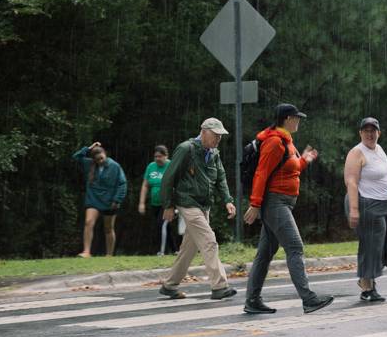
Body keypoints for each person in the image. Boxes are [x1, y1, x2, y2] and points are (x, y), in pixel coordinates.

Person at [242, 104, 333, 315]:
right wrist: (255, 204)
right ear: (287, 119)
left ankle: (252, 300)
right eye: (296, 118)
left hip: (282, 202)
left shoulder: (286, 142)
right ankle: (309, 299)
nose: (298, 121)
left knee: (265, 253)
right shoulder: (274, 142)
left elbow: (289, 170)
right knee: (295, 246)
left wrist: (304, 160)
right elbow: (262, 173)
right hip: (275, 203)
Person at [158, 118, 237, 301]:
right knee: (209, 241)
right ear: (204, 131)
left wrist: (227, 200)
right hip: (187, 202)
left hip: (204, 205)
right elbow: (168, 178)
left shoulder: (214, 152)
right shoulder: (187, 149)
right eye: (215, 135)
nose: (218, 139)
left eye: (220, 136)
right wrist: (168, 205)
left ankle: (170, 285)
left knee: (189, 249)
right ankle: (219, 286)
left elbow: (220, 177)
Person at [344, 117, 387, 302]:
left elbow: (386, 178)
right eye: (366, 130)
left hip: (386, 204)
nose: (370, 134)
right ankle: (367, 287)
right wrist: (354, 209)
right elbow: (350, 181)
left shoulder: (379, 150)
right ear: (360, 133)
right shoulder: (356, 152)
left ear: (378, 133)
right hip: (367, 203)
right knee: (372, 244)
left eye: (373, 130)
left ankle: (367, 273)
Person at [70, 142, 127, 257]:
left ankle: (109, 254)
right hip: (93, 199)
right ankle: (86, 251)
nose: (100, 161)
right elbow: (76, 157)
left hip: (110, 201)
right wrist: (89, 148)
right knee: (88, 222)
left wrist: (117, 200)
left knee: (108, 228)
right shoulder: (89, 164)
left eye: (101, 158)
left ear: (105, 154)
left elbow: (122, 183)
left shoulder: (114, 166)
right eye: (97, 160)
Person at [139, 145, 180, 255]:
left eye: (160, 156)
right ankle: (175, 250)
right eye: (155, 156)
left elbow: (178, 184)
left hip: (168, 203)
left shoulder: (171, 165)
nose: (157, 158)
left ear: (166, 156)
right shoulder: (151, 166)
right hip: (155, 203)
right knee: (166, 227)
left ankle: (161, 251)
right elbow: (145, 185)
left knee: (161, 224)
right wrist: (141, 203)